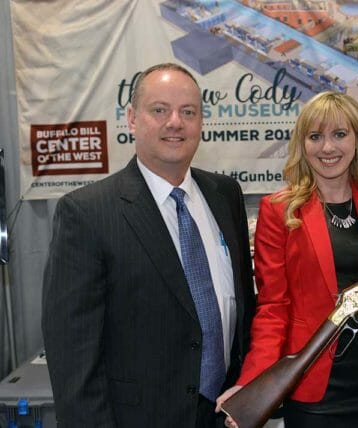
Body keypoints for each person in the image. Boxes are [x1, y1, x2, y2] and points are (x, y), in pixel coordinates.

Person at [216, 91, 358, 428]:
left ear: (357, 140)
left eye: (340, 134)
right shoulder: (280, 211)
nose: (328, 148)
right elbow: (272, 309)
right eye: (316, 137)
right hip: (312, 387)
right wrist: (253, 381)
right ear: (303, 144)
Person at [42, 63, 256, 427]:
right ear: (131, 119)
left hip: (225, 414)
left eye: (188, 112)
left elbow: (244, 312)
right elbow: (74, 362)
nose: (175, 122)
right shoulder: (87, 214)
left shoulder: (225, 195)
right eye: (159, 110)